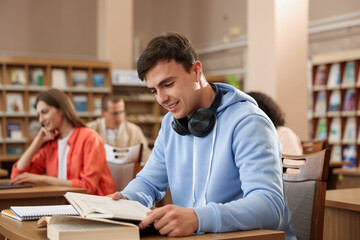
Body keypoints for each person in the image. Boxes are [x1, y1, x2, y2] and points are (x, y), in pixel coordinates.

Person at [111, 32, 296, 239]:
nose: (162, 99)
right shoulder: (171, 124)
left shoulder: (248, 122)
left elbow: (269, 206)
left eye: (168, 84)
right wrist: (125, 199)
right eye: (154, 90)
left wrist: (197, 218)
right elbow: (149, 183)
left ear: (196, 71)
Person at [10, 89, 116, 196]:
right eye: (39, 115)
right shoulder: (52, 144)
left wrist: (43, 179)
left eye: (45, 112)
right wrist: (37, 141)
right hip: (64, 205)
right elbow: (17, 177)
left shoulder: (89, 137)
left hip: (94, 207)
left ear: (61, 110)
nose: (41, 120)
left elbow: (88, 187)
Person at [87, 94, 151, 165]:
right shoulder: (90, 130)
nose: (119, 117)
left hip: (128, 175)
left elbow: (146, 155)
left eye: (122, 112)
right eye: (115, 113)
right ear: (103, 113)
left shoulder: (134, 131)